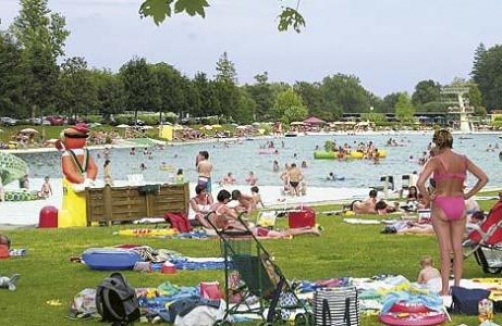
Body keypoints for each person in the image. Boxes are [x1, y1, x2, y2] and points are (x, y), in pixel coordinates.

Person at [416, 129, 488, 296]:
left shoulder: (435, 161)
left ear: (437, 143)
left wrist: (428, 198)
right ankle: (457, 287)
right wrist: (468, 195)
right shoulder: (463, 159)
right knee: (457, 248)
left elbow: (420, 183)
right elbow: (484, 178)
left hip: (441, 204)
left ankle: (445, 290)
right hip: (458, 204)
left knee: (445, 250)